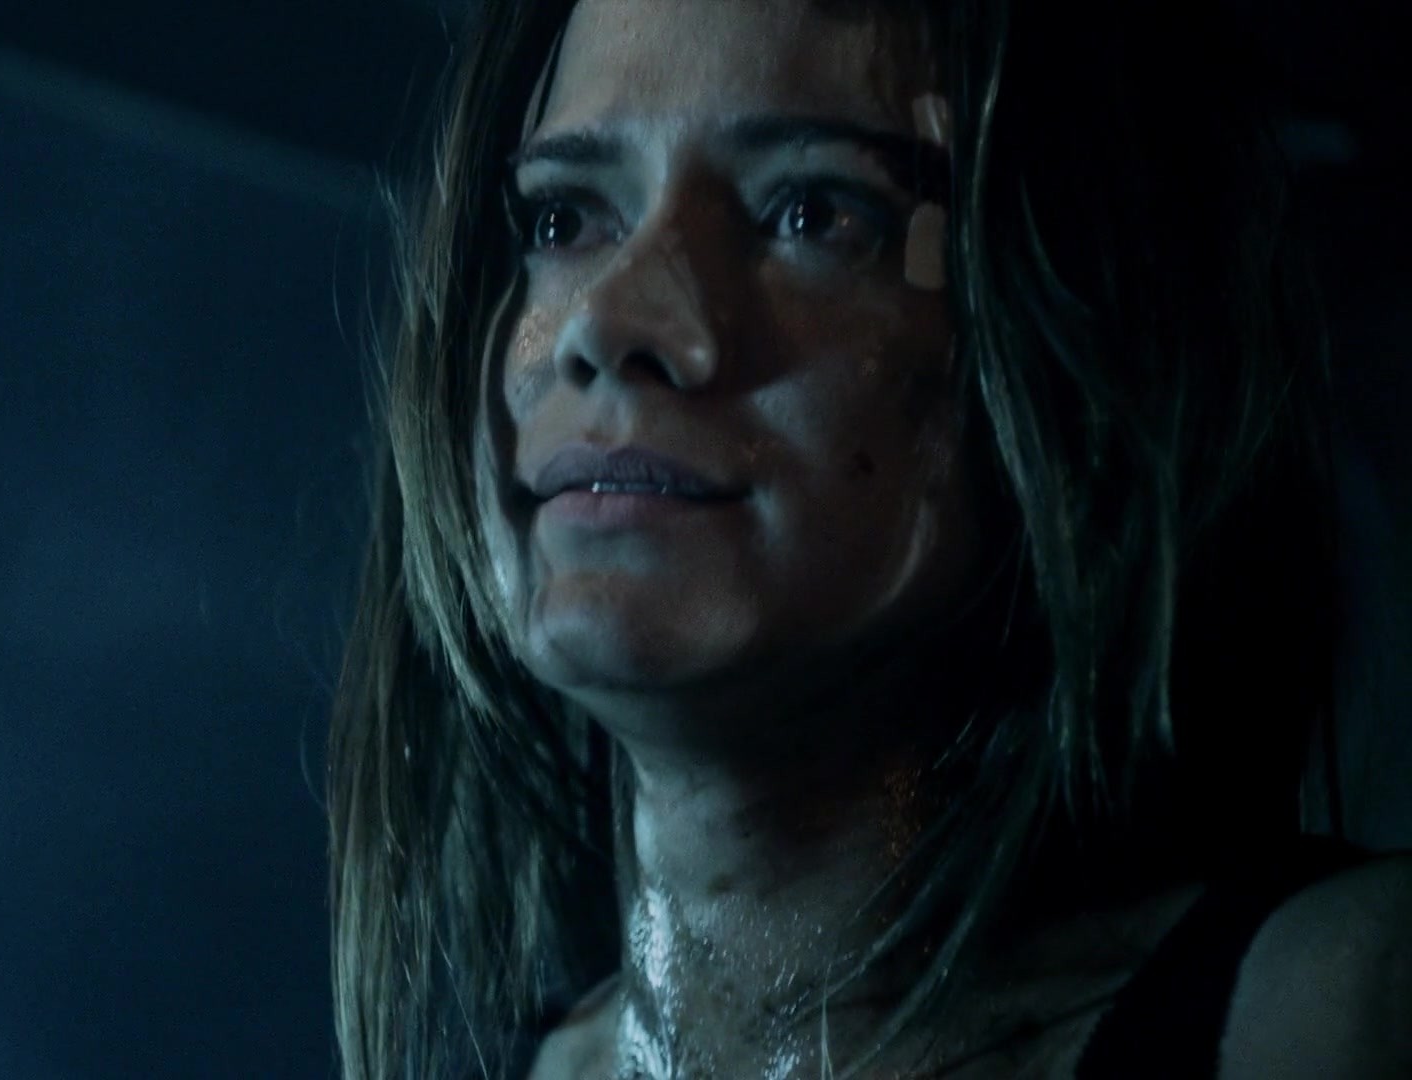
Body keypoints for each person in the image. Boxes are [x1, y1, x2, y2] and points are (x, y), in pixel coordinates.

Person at [326, 0, 1412, 1076]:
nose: (610, 322)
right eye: (563, 220)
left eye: (812, 213)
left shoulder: (1337, 1013)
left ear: (1071, 332)